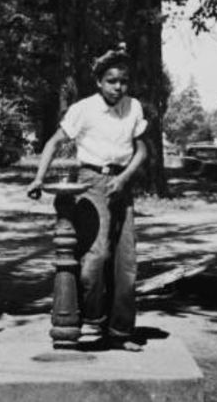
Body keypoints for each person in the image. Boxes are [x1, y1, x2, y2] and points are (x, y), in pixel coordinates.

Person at [27, 44, 149, 351]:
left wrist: (123, 178)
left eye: (123, 81)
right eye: (111, 81)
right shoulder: (83, 108)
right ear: (99, 81)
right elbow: (54, 142)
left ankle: (120, 332)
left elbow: (143, 149)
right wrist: (39, 178)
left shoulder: (134, 107)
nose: (118, 87)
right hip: (90, 182)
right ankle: (86, 317)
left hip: (122, 183)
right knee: (95, 259)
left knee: (126, 262)